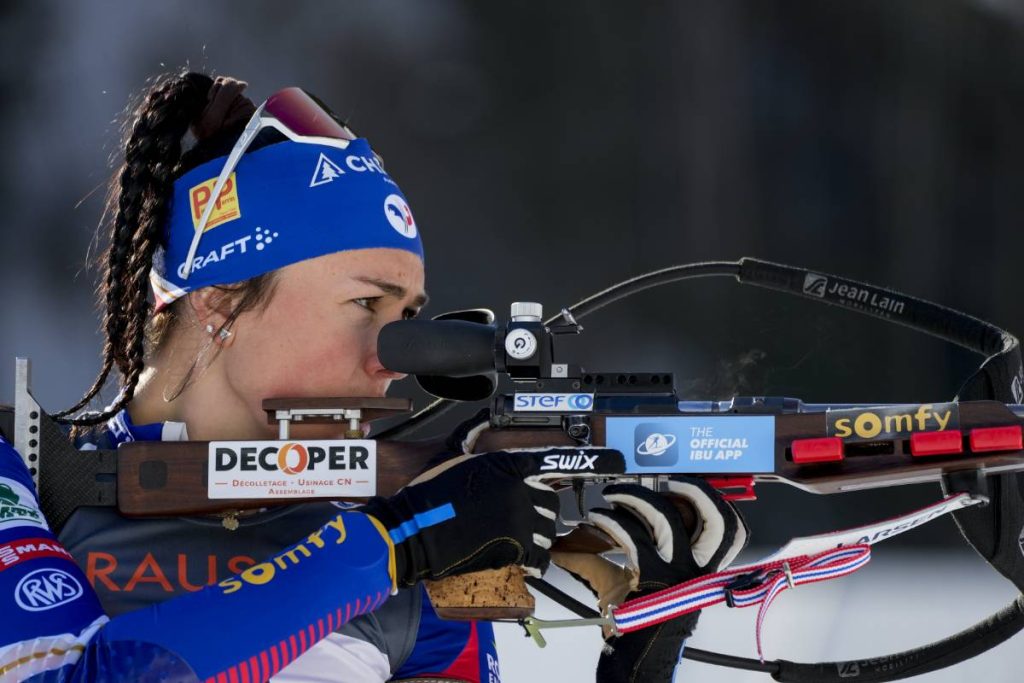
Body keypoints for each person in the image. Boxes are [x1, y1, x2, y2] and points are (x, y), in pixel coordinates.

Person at [0, 71, 745, 683]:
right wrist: (391, 546)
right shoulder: (26, 479)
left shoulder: (413, 556)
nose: (393, 359)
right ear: (220, 300)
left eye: (410, 317)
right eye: (366, 305)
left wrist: (641, 661)